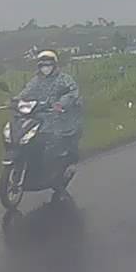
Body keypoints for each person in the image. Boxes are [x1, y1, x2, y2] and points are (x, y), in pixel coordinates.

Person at [15, 50, 83, 183]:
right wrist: (15, 100)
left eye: (48, 65)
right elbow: (27, 92)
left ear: (54, 65)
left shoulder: (64, 79)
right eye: (42, 65)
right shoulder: (36, 81)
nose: (45, 68)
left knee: (54, 142)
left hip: (61, 117)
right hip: (40, 117)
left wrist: (61, 103)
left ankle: (55, 172)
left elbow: (73, 92)